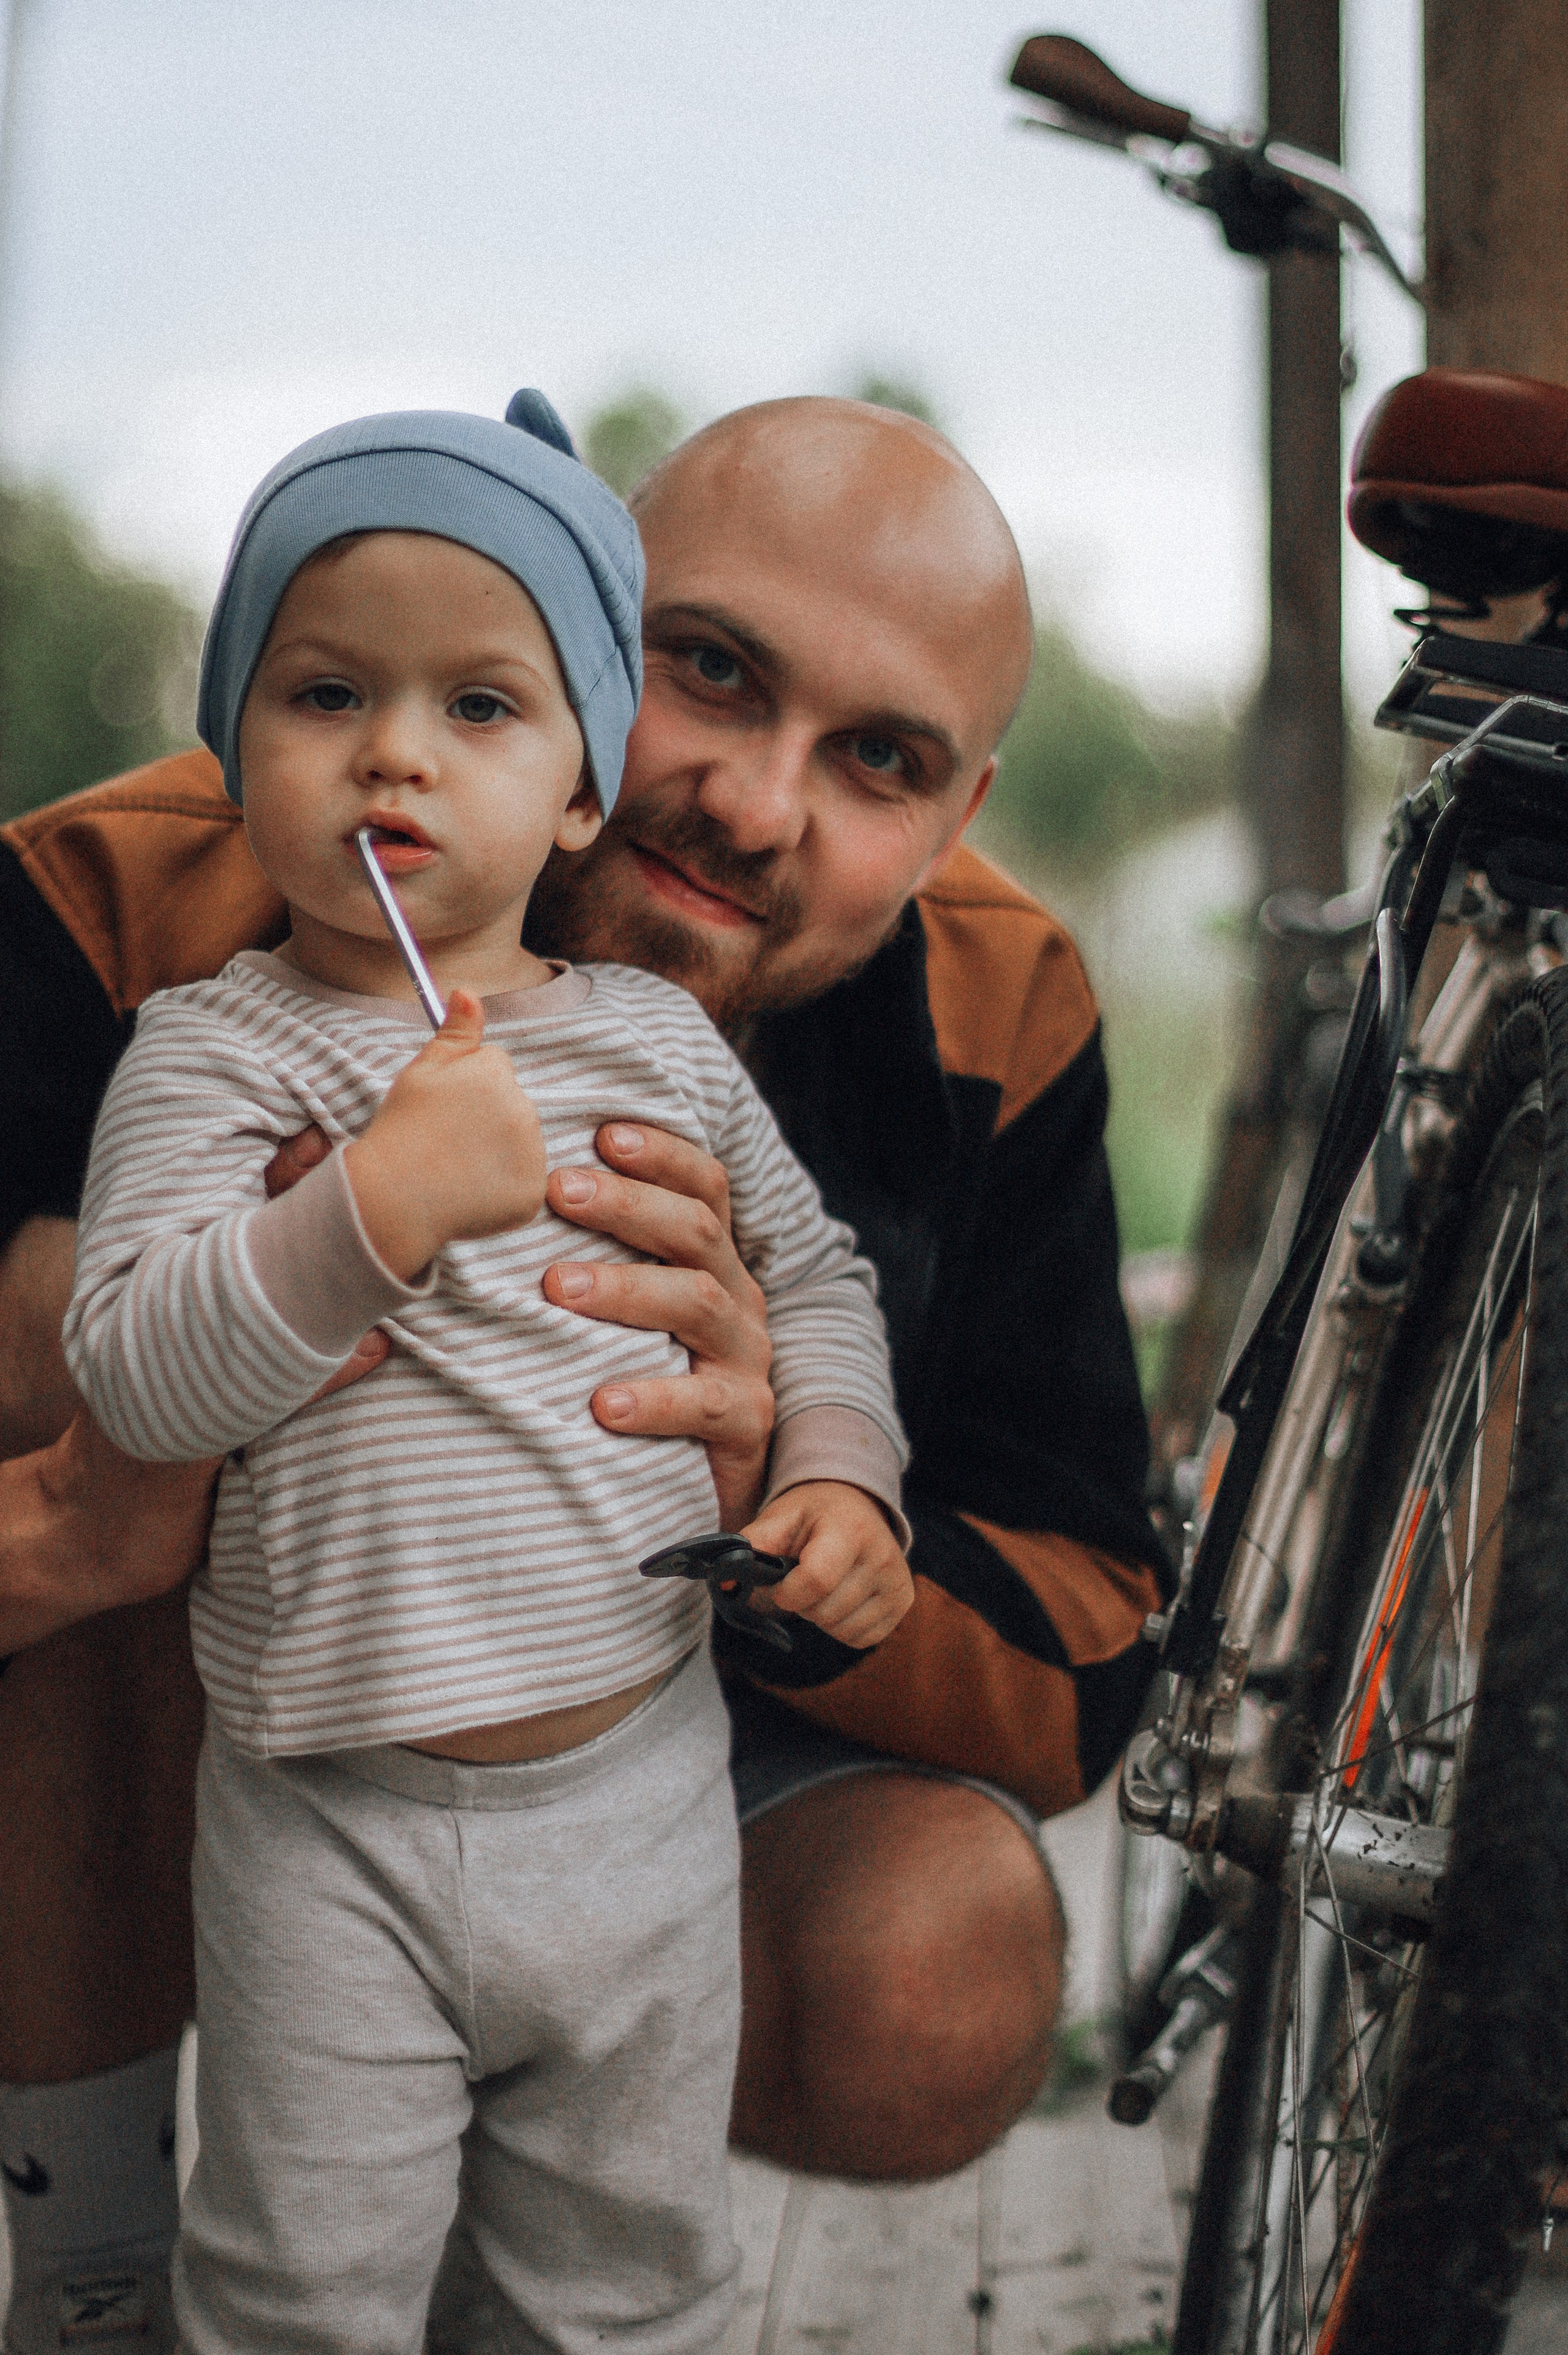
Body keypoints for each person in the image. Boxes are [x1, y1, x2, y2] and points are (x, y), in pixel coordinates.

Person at [0, 395, 1168, 2351]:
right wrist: (228, 1330)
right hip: (284, 1713)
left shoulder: (986, 998)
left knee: (913, 1983)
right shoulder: (142, 905)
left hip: (641, 1761)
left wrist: (787, 1492)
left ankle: (487, 2220)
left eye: (877, 759)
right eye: (711, 671)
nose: (756, 801)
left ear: (960, 813)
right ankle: (95, 2258)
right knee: (70, 1340)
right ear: (598, 623)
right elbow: (108, 1398)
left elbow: (1085, 1637)